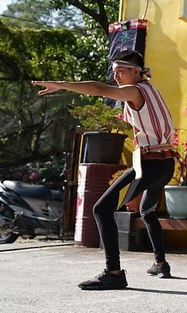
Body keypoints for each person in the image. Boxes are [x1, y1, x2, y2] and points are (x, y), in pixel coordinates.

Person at [33, 49, 177, 290]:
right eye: (114, 72)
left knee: (101, 209)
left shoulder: (135, 90)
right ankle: (161, 263)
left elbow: (99, 89)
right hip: (166, 164)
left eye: (120, 71)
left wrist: (61, 85)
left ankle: (114, 272)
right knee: (147, 210)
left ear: (136, 71)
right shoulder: (152, 89)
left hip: (150, 164)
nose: (116, 76)